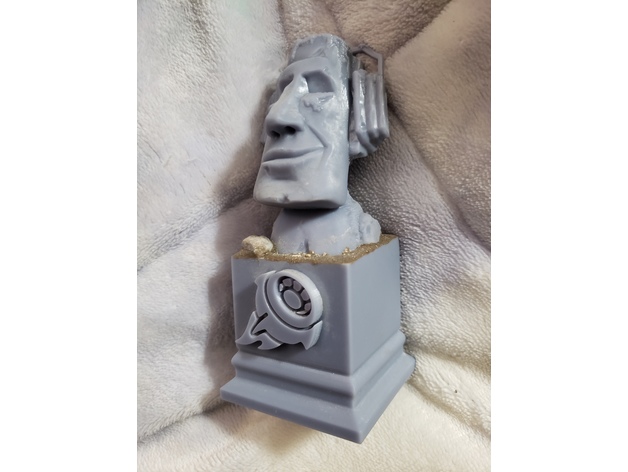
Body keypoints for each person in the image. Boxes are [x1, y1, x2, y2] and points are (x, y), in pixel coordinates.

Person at [253, 34, 383, 255]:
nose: (275, 118)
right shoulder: (280, 229)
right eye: (281, 92)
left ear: (361, 120)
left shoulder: (357, 229)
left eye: (318, 90)